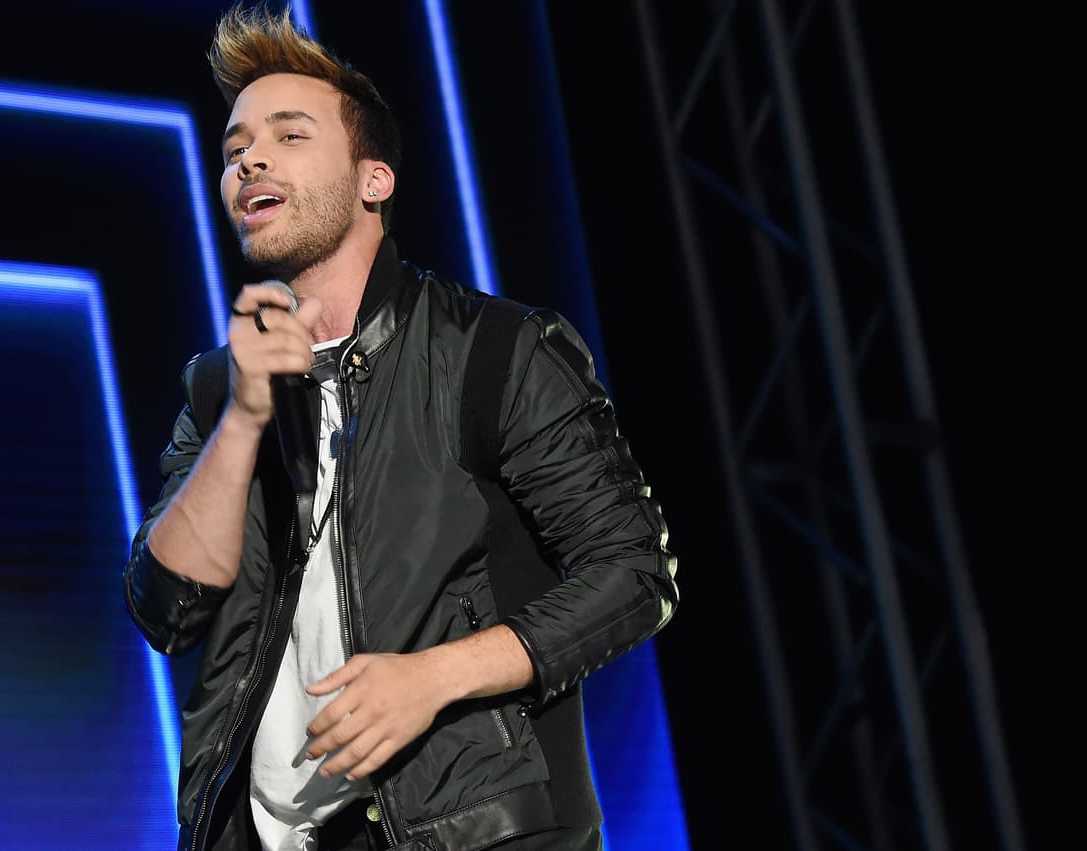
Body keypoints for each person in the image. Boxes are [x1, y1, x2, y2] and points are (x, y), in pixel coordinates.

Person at [122, 3, 679, 849]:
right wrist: (241, 417)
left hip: (471, 829)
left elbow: (634, 573)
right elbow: (165, 608)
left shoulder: (496, 351)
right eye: (234, 150)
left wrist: (433, 678)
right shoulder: (216, 387)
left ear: (373, 179)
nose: (249, 161)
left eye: (288, 135)